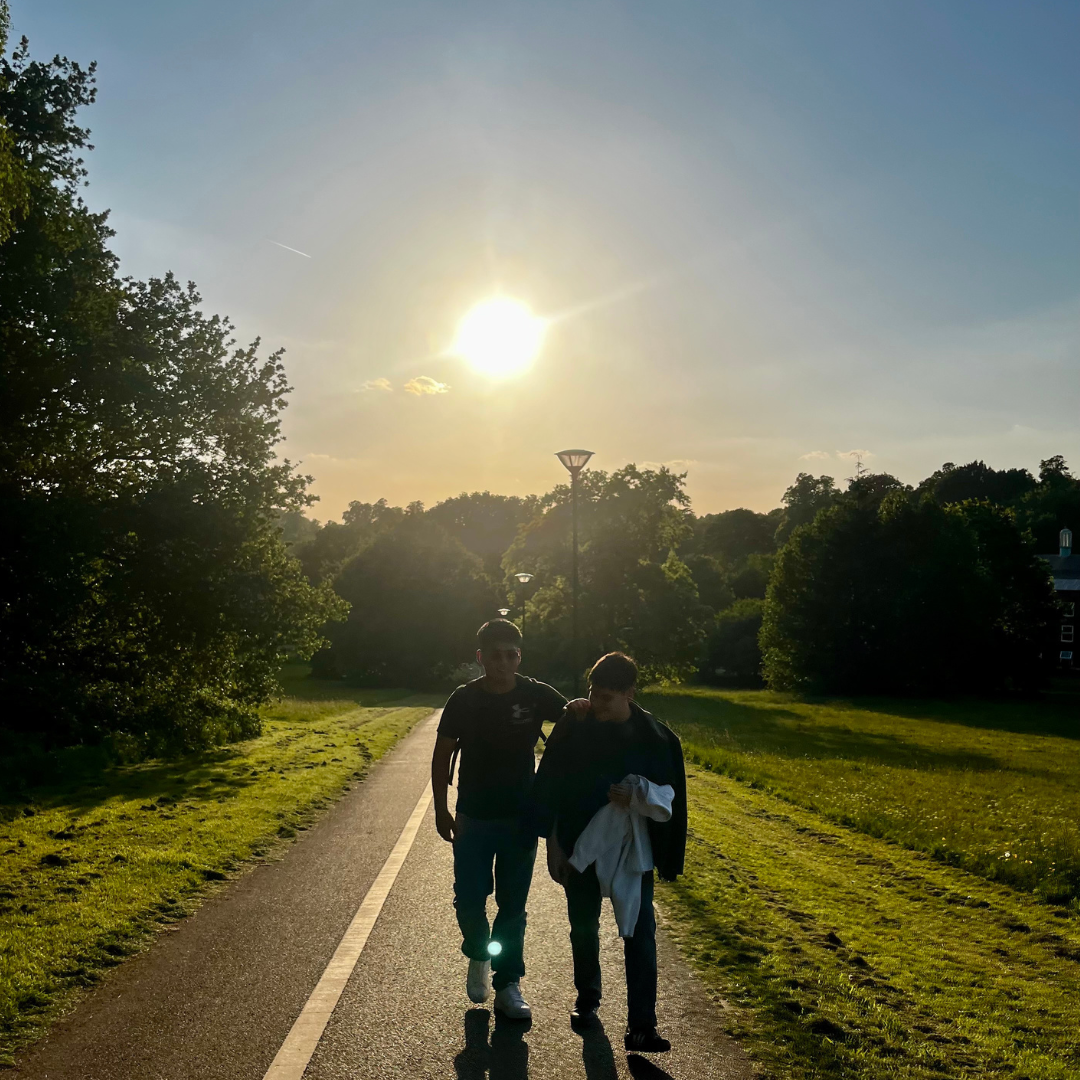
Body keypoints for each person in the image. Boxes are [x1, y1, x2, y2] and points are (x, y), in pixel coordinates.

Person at [531, 652, 687, 1054]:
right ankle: (587, 1000)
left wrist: (639, 798)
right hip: (578, 841)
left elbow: (672, 802)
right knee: (583, 927)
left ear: (629, 694)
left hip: (634, 848)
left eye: (606, 698)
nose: (596, 705)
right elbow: (549, 785)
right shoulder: (577, 725)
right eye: (592, 695)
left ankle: (642, 1027)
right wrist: (554, 844)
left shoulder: (656, 738)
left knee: (640, 933)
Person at [431, 619, 568, 1020]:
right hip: (473, 817)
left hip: (520, 819)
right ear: (480, 658)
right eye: (495, 655)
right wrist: (442, 808)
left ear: (519, 657)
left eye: (511, 655)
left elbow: (577, 723)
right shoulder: (465, 699)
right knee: (470, 901)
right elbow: (442, 757)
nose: (504, 663)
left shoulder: (536, 694)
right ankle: (478, 952)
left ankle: (509, 984)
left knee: (513, 906)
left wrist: (581, 709)